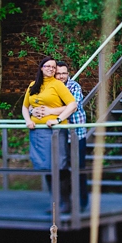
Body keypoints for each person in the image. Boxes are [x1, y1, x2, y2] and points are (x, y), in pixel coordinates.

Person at [22, 57, 77, 213]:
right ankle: (55, 203)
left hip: (55, 131)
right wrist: (28, 120)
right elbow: (25, 107)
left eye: (53, 67)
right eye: (48, 66)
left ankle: (65, 203)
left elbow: (72, 105)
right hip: (37, 131)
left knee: (59, 165)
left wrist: (58, 119)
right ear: (41, 68)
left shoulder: (58, 85)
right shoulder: (33, 86)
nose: (51, 69)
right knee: (45, 166)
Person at [32, 60, 88, 210]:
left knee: (78, 169)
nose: (62, 76)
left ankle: (81, 203)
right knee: (55, 169)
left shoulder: (74, 86)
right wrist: (33, 111)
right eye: (59, 74)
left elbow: (73, 106)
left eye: (65, 73)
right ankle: (60, 202)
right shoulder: (47, 86)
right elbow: (35, 104)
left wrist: (50, 111)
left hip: (75, 135)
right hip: (55, 136)